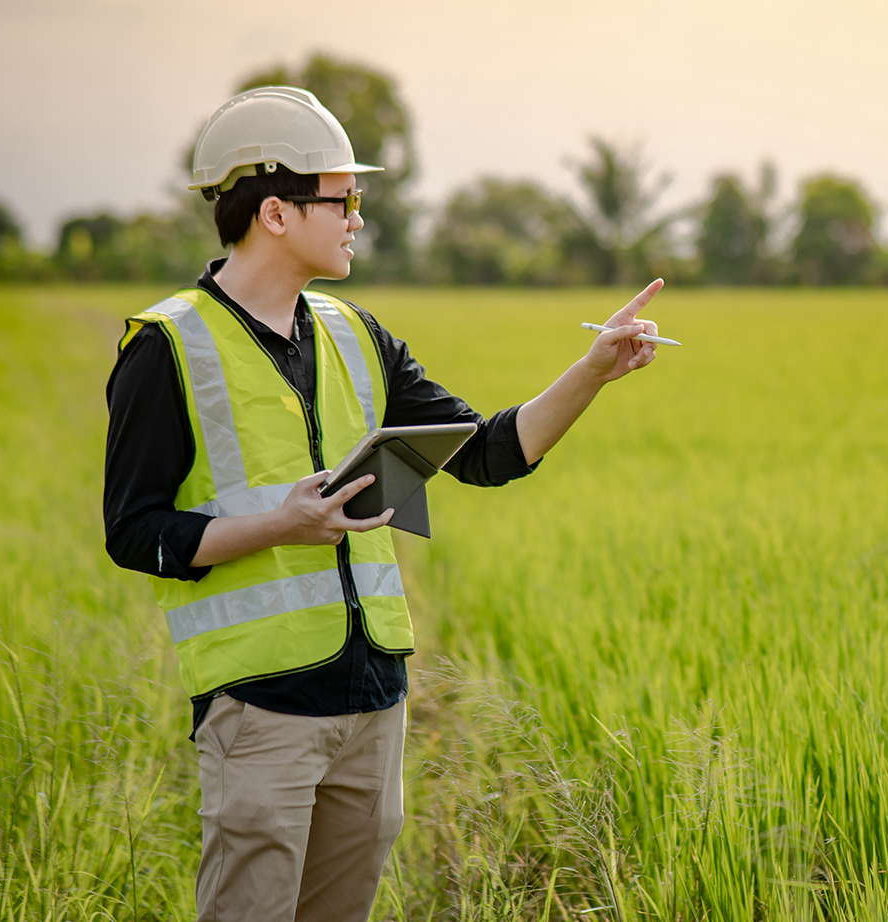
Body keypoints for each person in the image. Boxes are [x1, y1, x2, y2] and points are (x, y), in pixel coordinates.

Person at [101, 86, 664, 921]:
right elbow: (133, 532)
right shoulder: (168, 346)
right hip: (262, 710)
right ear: (276, 211)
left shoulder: (360, 337)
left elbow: (487, 453)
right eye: (344, 198)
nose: (359, 216)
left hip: (372, 700)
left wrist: (593, 370)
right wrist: (279, 526)